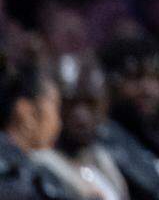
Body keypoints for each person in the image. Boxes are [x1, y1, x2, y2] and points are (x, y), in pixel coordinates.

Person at [98, 35, 159, 200]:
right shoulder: (100, 144)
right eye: (135, 77)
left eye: (157, 78)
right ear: (106, 82)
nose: (148, 89)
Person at [34, 56, 129, 200]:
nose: (81, 116)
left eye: (90, 104)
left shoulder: (103, 158)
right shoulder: (39, 165)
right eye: (70, 104)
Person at [0, 49, 78, 200]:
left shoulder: (34, 168)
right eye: (55, 106)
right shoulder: (11, 169)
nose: (59, 121)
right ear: (26, 111)